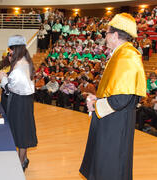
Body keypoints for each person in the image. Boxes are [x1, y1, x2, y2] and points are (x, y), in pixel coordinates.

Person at [79, 13, 146, 180]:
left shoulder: (127, 56)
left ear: (115, 35)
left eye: (106, 33)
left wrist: (96, 106)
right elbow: (115, 91)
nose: (105, 37)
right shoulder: (120, 54)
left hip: (116, 122)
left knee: (110, 166)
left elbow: (122, 98)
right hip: (112, 118)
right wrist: (97, 100)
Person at [0, 35, 37, 171]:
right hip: (25, 102)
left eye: (11, 49)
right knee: (23, 131)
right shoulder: (25, 61)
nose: (10, 52)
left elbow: (10, 88)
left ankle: (21, 162)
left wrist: (3, 79)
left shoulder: (20, 66)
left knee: (21, 133)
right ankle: (24, 158)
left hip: (19, 102)